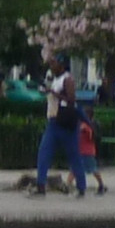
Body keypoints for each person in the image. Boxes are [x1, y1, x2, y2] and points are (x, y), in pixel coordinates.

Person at [34, 50, 88, 199]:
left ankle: (81, 187)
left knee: (74, 156)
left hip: (65, 123)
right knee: (44, 153)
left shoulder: (67, 79)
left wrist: (53, 92)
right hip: (53, 121)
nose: (51, 66)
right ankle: (40, 185)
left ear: (62, 64)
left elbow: (71, 99)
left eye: (54, 63)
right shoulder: (54, 79)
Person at [78, 105, 108, 196]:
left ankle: (101, 185)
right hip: (81, 151)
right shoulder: (81, 125)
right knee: (75, 169)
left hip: (87, 151)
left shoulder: (88, 126)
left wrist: (84, 130)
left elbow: (91, 137)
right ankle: (70, 185)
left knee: (93, 169)